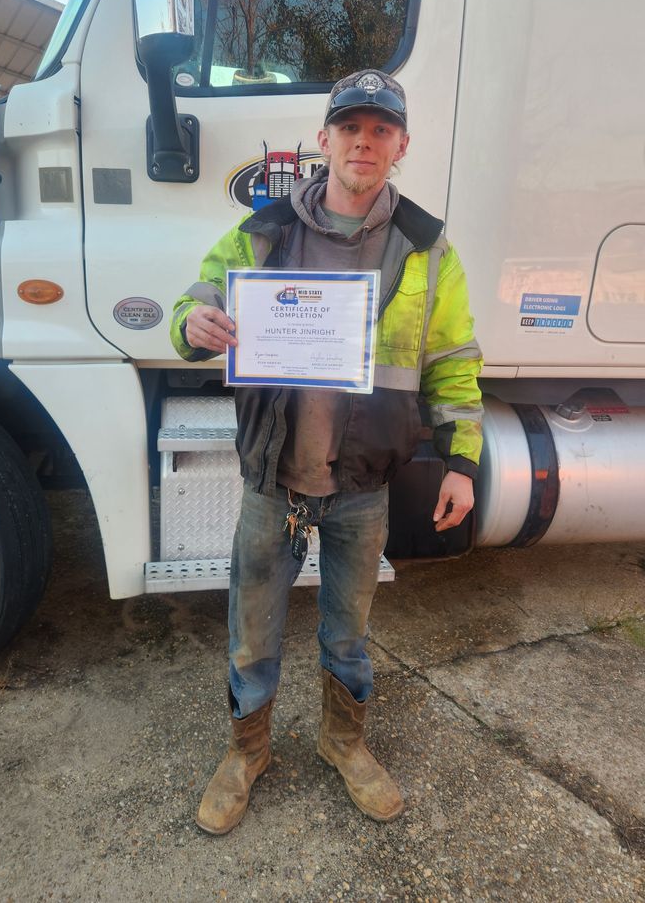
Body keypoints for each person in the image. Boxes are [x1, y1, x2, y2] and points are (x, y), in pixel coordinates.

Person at [170, 69, 483, 835]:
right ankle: (247, 753)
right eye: (351, 128)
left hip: (361, 485)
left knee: (347, 631)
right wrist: (193, 326)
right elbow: (196, 299)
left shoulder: (427, 247)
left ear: (401, 145)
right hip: (274, 476)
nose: (364, 142)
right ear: (325, 139)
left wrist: (464, 461)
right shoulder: (266, 228)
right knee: (253, 629)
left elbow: (452, 359)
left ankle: (344, 741)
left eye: (381, 130)